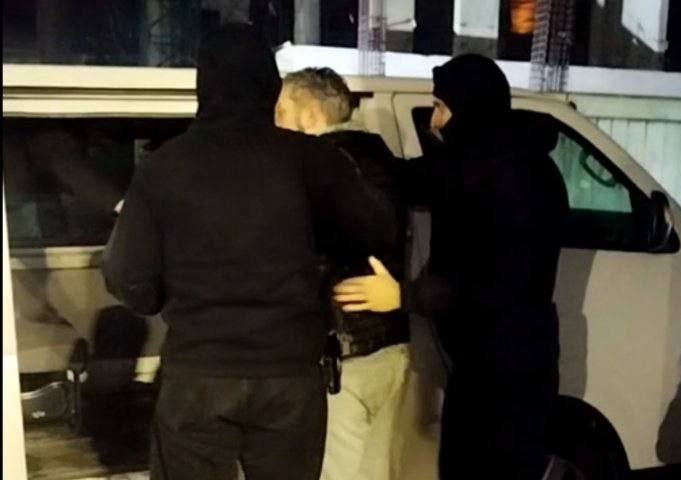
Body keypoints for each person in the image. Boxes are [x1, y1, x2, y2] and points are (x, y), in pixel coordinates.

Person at [102, 24, 396, 480]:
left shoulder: (163, 167)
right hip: (290, 377)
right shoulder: (314, 159)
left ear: (203, 85)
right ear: (270, 85)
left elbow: (127, 277)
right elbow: (375, 232)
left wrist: (168, 298)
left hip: (198, 374)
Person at [334, 54, 570, 479]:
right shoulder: (476, 162)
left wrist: (402, 295)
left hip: (510, 372)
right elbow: (409, 179)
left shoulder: (520, 178)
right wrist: (339, 139)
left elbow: (498, 283)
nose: (434, 122)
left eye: (441, 108)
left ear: (471, 108)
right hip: (483, 365)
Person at [276, 67, 410, 480]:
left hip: (343, 361)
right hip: (395, 349)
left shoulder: (315, 169)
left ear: (310, 115)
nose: (274, 124)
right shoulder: (383, 162)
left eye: (281, 112)